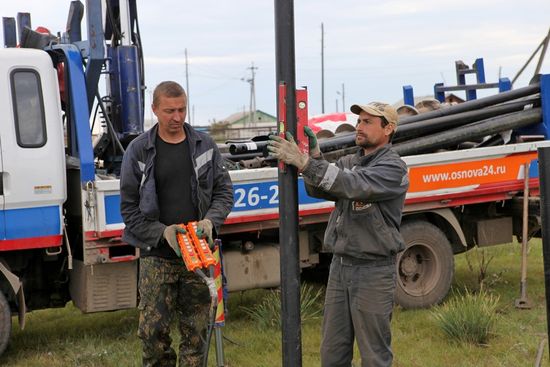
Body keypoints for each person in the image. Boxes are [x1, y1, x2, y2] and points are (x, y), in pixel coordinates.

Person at [268, 102, 409, 367]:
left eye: (368, 122)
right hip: (340, 267)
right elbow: (322, 188)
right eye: (359, 121)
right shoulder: (350, 161)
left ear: (388, 129)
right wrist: (314, 159)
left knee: (374, 356)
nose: (359, 127)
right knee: (332, 354)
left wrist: (306, 163)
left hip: (373, 271)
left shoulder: (393, 168)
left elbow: (352, 185)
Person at [120, 81, 234, 367]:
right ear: (155, 110)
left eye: (182, 109)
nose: (177, 117)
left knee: (196, 334)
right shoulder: (139, 151)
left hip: (197, 257)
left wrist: (211, 221)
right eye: (170, 110)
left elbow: (224, 191)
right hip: (157, 257)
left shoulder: (203, 145)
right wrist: (163, 233)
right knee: (152, 333)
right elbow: (129, 209)